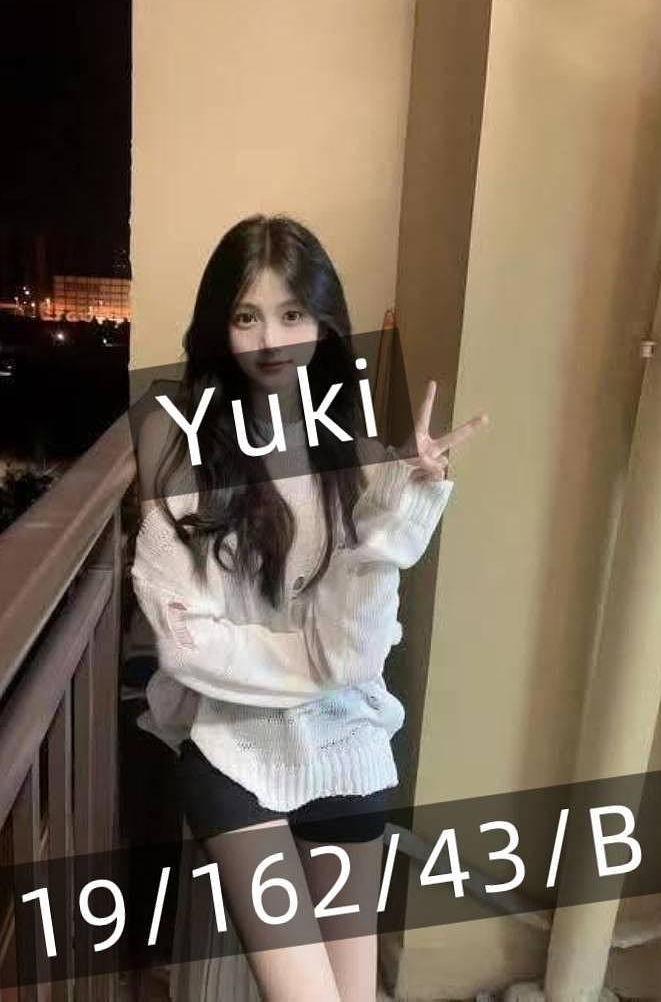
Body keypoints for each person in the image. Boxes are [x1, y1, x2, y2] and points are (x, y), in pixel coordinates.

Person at [131, 214, 488, 1001]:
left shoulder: (354, 453)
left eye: (292, 314)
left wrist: (396, 523)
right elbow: (188, 645)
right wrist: (316, 664)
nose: (271, 340)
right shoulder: (176, 436)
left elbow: (357, 651)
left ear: (325, 323)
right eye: (247, 316)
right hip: (231, 742)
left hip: (344, 737)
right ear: (218, 327)